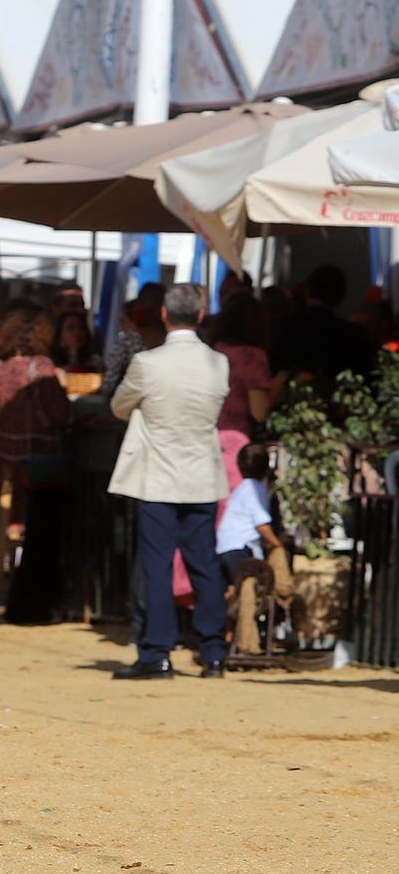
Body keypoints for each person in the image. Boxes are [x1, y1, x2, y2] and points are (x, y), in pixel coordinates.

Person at [108, 284, 230, 679]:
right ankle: (213, 653)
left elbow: (119, 405)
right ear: (199, 315)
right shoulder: (218, 363)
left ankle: (157, 652)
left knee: (157, 566)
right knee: (204, 563)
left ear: (163, 314)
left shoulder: (148, 363)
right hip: (202, 474)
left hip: (159, 475)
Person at [0, 303, 71, 622]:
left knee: (9, 520)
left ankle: (1, 566)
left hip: (5, 465)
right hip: (41, 466)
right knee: (45, 534)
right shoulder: (42, 368)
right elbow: (60, 414)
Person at [216, 443, 292, 653]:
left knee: (234, 592)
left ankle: (228, 638)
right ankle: (247, 642)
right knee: (251, 594)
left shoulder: (241, 489)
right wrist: (278, 544)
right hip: (240, 549)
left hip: (224, 548)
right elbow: (261, 525)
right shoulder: (256, 489)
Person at [268, 263, 377, 394]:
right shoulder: (354, 336)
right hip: (338, 407)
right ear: (341, 296)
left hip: (284, 403)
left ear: (307, 290)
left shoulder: (279, 327)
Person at [207, 292, 271, 494]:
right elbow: (259, 411)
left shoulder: (213, 350)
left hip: (205, 438)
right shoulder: (252, 356)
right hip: (235, 443)